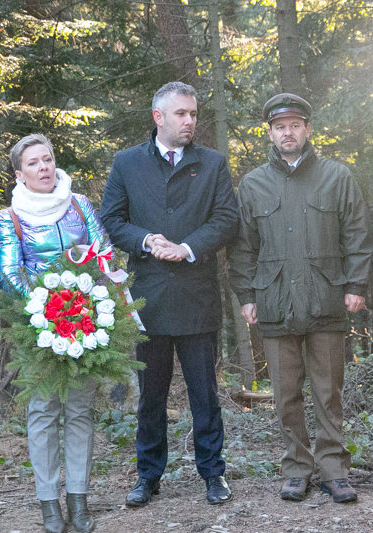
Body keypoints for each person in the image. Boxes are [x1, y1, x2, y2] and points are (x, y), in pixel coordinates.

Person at [228, 94, 373, 504]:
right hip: (274, 303)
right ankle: (296, 468)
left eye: (294, 125)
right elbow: (242, 248)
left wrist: (356, 286)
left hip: (327, 300)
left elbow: (358, 237)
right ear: (270, 133)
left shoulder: (336, 177)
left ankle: (334, 470)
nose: (287, 133)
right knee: (286, 393)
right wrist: (247, 295)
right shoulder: (254, 184)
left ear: (308, 129)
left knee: (329, 392)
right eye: (279, 127)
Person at [100, 81, 238, 507]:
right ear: (158, 117)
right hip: (148, 299)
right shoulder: (127, 164)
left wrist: (187, 247)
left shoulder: (212, 164)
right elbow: (111, 219)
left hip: (197, 296)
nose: (190, 121)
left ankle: (213, 475)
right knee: (151, 396)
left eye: (193, 114)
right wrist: (147, 240)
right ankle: (148, 476)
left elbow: (227, 219)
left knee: (204, 395)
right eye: (181, 114)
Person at [0, 133, 107, 533]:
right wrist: (48, 307)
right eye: (34, 163)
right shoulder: (10, 217)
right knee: (43, 413)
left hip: (86, 323)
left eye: (48, 159)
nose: (44, 168)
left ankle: (78, 499)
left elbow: (103, 251)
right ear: (19, 173)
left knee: (79, 411)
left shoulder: (79, 204)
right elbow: (9, 273)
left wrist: (85, 303)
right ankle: (48, 504)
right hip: (38, 328)